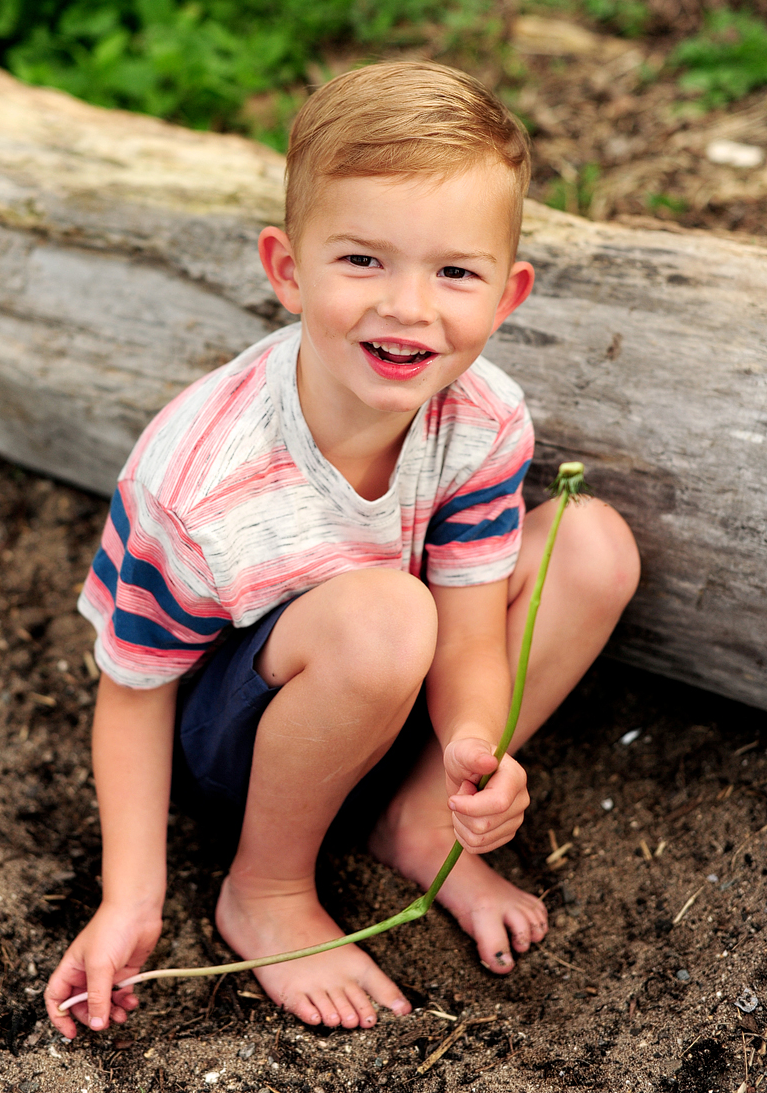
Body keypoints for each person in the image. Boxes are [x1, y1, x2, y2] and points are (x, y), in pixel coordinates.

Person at [45, 61, 640, 1037]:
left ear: (508, 293)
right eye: (363, 260)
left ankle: (417, 820)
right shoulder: (201, 480)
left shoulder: (484, 421)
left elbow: (468, 627)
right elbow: (134, 691)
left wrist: (473, 751)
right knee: (383, 614)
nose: (409, 307)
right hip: (239, 738)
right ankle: (267, 888)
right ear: (286, 268)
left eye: (454, 272)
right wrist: (130, 899)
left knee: (595, 546)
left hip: (393, 684)